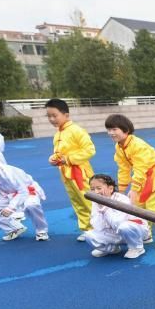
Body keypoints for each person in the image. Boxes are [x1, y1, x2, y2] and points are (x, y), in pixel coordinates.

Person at [105, 114, 155, 249]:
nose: (111, 133)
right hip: (144, 177)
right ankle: (145, 234)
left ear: (126, 130)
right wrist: (120, 191)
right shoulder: (119, 147)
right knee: (138, 206)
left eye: (114, 129)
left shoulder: (137, 144)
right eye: (109, 129)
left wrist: (134, 189)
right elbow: (123, 169)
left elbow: (141, 168)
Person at [0, 147, 49, 241]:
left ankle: (41, 231)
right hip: (9, 194)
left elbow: (23, 191)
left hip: (28, 191)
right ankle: (14, 228)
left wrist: (10, 207)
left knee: (31, 205)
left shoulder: (8, 171)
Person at [46, 98, 96, 239]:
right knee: (77, 202)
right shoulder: (58, 134)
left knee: (89, 202)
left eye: (54, 115)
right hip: (66, 174)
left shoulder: (76, 130)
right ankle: (87, 229)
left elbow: (90, 150)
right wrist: (54, 158)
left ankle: (101, 229)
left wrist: (68, 159)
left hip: (80, 173)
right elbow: (59, 152)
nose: (52, 119)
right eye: (49, 116)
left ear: (66, 115)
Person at [85, 173, 148, 259]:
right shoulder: (96, 202)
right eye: (92, 189)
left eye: (99, 188)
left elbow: (118, 223)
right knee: (89, 235)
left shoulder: (122, 199)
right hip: (115, 232)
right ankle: (111, 249)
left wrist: (105, 209)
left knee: (124, 227)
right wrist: (101, 208)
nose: (96, 192)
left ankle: (137, 247)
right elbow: (98, 226)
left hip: (135, 230)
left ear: (110, 188)